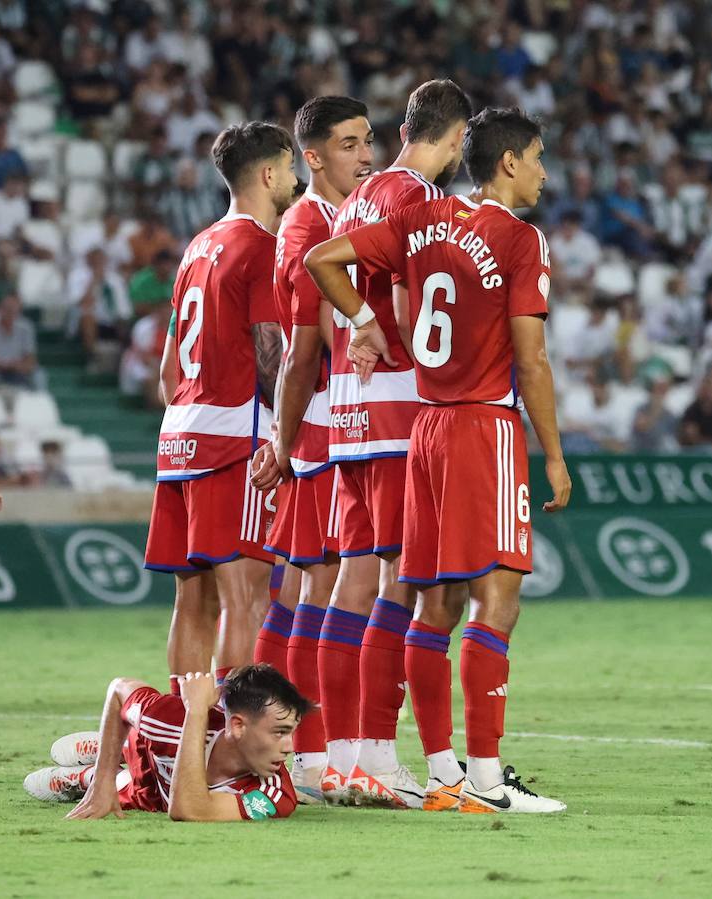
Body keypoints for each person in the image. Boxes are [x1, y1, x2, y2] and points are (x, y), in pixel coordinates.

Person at [305, 106, 571, 813]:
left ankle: (444, 772)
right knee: (498, 600)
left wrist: (364, 323)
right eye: (539, 156)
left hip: (421, 426)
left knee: (431, 602)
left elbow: (322, 260)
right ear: (508, 162)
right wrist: (555, 456)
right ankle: (486, 780)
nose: (545, 171)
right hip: (484, 426)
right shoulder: (520, 239)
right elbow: (532, 357)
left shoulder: (425, 222)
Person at [316, 79, 472, 807]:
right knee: (403, 583)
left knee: (355, 580)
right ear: (458, 137)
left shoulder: (361, 195)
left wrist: (356, 321)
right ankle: (379, 754)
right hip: (400, 408)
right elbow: (413, 302)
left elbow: (323, 266)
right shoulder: (418, 201)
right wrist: (379, 328)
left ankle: (346, 757)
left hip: (348, 414)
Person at [247, 96, 373, 803]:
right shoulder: (309, 224)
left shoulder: (337, 219)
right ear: (314, 158)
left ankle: (276, 745)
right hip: (326, 426)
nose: (366, 155)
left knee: (299, 590)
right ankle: (315, 752)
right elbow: (299, 346)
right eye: (350, 144)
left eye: (368, 140)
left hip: (323, 422)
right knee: (320, 587)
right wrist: (285, 436)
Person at [146, 123, 293, 702]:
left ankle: (181, 733)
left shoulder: (197, 247)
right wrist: (284, 430)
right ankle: (231, 740)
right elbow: (270, 356)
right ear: (267, 174)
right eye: (288, 170)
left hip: (180, 435)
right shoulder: (260, 246)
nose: (294, 182)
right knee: (247, 594)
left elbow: (167, 374)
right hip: (237, 437)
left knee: (194, 600)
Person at [23, 666, 309, 821]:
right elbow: (119, 689)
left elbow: (189, 810)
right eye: (279, 732)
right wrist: (103, 780)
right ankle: (107, 753)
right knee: (134, 740)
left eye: (291, 732)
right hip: (149, 751)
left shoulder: (275, 795)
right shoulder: (167, 717)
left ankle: (82, 778)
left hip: (151, 796)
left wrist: (196, 711)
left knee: (128, 788)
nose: (289, 747)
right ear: (237, 726)